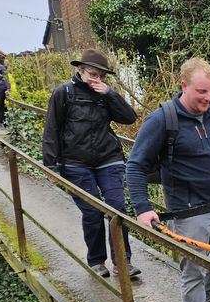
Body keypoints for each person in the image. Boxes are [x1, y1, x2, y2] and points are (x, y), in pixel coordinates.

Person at [127, 57, 210, 302]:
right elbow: (135, 165)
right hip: (187, 211)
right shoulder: (162, 120)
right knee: (193, 269)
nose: (207, 98)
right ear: (183, 86)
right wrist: (143, 208)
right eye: (201, 91)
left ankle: (206, 301)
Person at [42, 49, 139, 279]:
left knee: (118, 209)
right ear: (80, 70)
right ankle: (97, 260)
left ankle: (122, 262)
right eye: (93, 75)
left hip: (108, 159)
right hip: (76, 163)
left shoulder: (104, 94)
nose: (98, 80)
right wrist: (51, 166)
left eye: (102, 76)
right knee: (93, 212)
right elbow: (51, 129)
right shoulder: (64, 93)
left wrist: (110, 93)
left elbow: (129, 117)